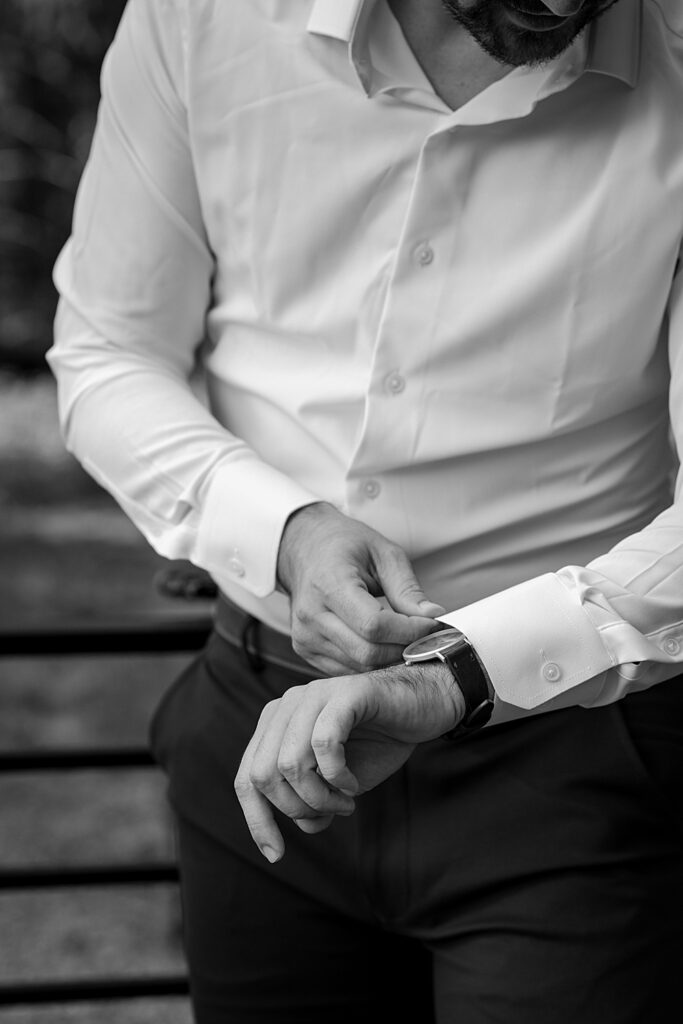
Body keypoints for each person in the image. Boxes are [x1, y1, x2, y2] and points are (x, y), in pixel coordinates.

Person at [48, 0, 683, 1020]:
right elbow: (107, 353)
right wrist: (284, 534)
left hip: (579, 768)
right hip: (257, 745)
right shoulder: (198, 18)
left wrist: (453, 676)